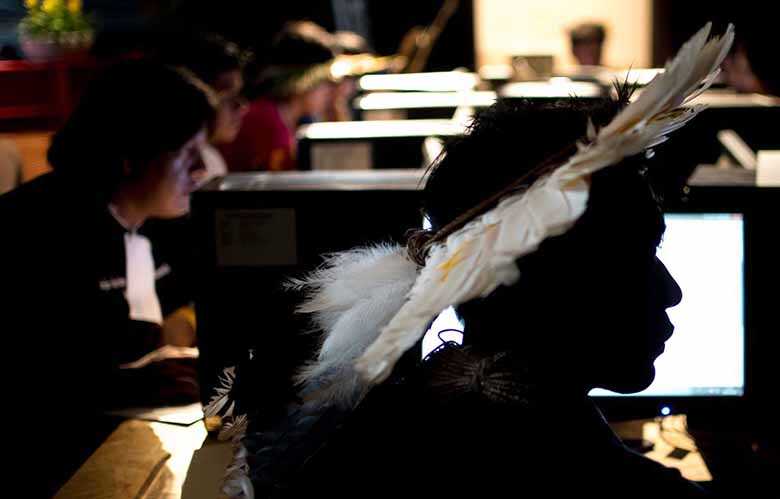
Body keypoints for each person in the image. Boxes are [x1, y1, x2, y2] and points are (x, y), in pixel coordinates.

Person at [212, 23, 734, 499]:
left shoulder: (398, 429)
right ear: (556, 285)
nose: (671, 291)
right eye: (635, 258)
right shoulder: (602, 486)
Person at [0, 60, 213, 496]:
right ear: (132, 155)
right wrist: (138, 381)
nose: (200, 171)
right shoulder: (35, 233)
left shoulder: (159, 222)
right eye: (186, 153)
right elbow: (33, 385)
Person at [219, 21, 336, 171]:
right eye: (324, 81)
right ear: (302, 81)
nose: (330, 90)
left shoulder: (281, 116)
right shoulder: (268, 121)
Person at [159, 33, 250, 180]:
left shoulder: (212, 160)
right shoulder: (172, 170)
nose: (242, 106)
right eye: (226, 94)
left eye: (238, 94)